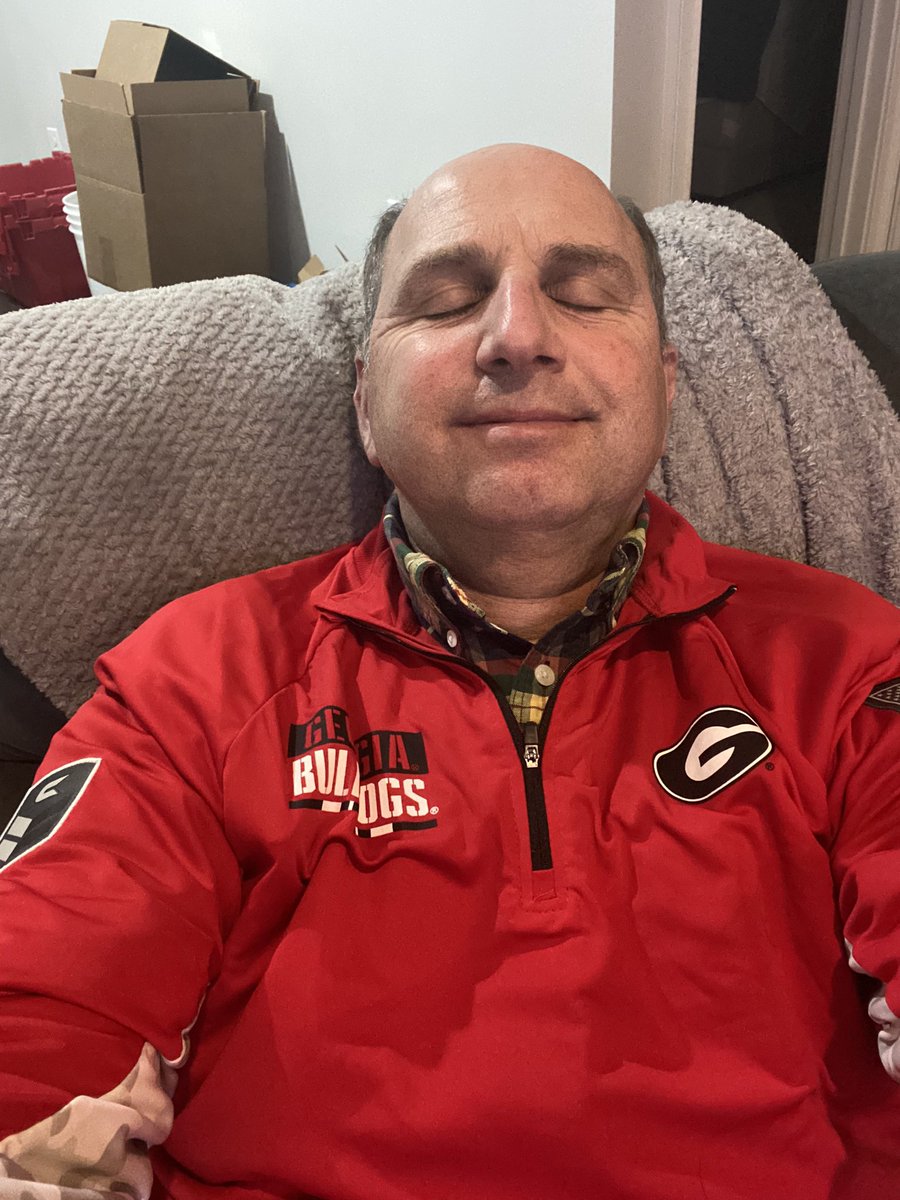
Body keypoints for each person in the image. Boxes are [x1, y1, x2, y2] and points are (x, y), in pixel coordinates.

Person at [0, 143, 898, 1200]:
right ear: (366, 405)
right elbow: (37, 1031)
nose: (517, 335)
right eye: (445, 301)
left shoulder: (849, 658)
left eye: (583, 296)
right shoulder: (194, 679)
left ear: (663, 389)